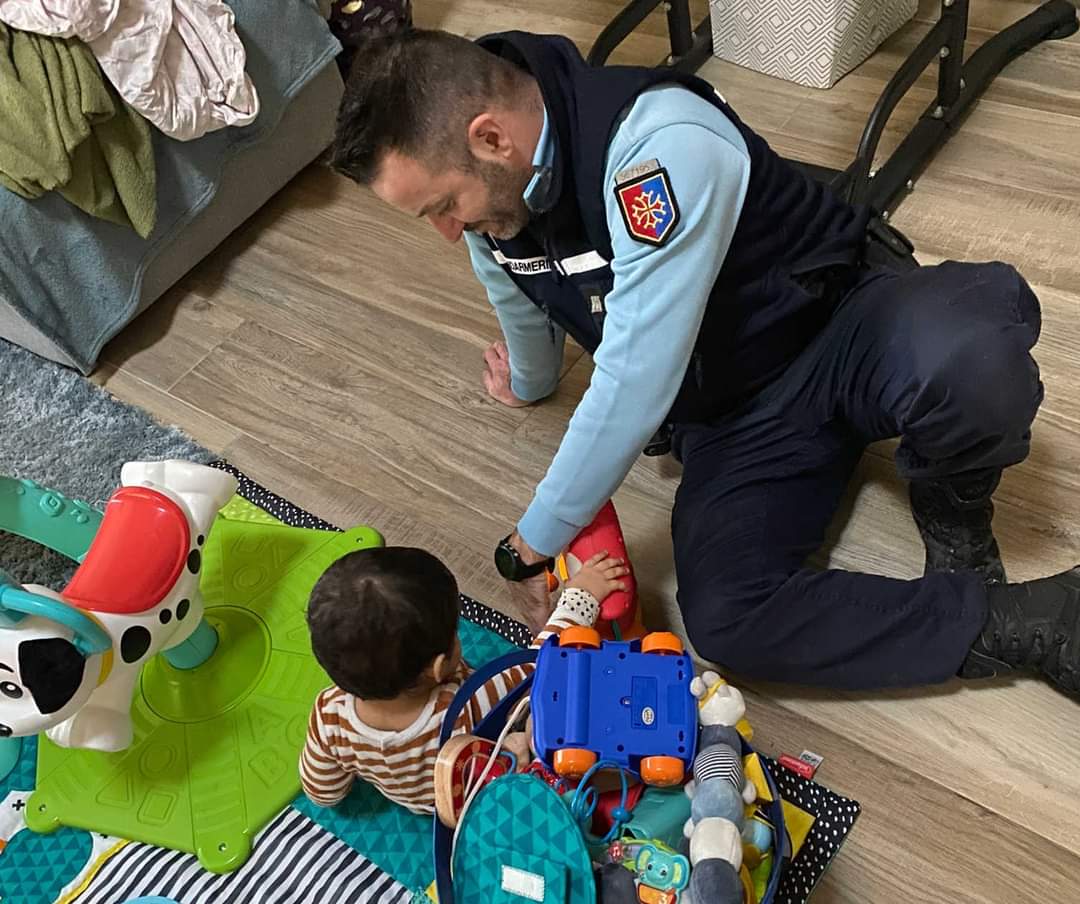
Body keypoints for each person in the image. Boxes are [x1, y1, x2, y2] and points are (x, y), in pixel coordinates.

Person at [328, 28, 1080, 696]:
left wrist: (530, 545)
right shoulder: (497, 209)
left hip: (840, 325)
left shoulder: (659, 143)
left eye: (440, 206)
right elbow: (522, 300)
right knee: (727, 619)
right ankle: (1022, 621)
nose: (446, 233)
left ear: (492, 138)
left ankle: (953, 501)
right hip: (734, 418)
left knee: (971, 358)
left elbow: (636, 372)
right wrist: (529, 382)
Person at [299, 545, 628, 812]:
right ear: (440, 667)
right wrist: (581, 598)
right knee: (533, 736)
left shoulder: (329, 715)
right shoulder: (467, 704)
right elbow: (539, 663)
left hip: (423, 801)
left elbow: (322, 792)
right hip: (472, 788)